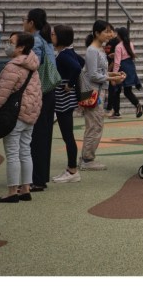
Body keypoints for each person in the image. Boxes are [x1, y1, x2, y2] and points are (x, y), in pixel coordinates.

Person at [0, 32, 42, 203]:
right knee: (25, 152)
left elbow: (0, 97)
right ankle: (26, 189)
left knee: (13, 154)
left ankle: (12, 191)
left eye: (11, 42)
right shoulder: (33, 64)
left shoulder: (13, 67)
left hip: (14, 115)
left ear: (21, 47)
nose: (7, 44)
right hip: (30, 114)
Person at [81, 20, 125, 171]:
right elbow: (93, 75)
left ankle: (87, 157)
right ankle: (87, 159)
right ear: (97, 33)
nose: (109, 34)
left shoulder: (99, 49)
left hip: (98, 91)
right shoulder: (92, 50)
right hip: (93, 92)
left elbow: (100, 72)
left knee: (95, 125)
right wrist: (112, 78)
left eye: (110, 31)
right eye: (106, 31)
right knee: (94, 126)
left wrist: (114, 75)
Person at [24, 8, 56, 191]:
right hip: (49, 90)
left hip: (39, 91)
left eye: (25, 19)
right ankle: (40, 176)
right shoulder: (46, 40)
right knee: (44, 135)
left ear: (32, 22)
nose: (23, 22)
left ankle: (36, 179)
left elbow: (33, 65)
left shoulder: (36, 41)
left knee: (36, 136)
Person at [49, 25, 85, 184]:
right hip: (67, 98)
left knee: (67, 135)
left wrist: (69, 83)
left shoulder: (63, 55)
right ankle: (71, 169)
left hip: (63, 98)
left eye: (53, 34)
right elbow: (81, 61)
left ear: (60, 37)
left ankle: (72, 170)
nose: (51, 36)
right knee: (68, 135)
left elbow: (77, 67)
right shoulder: (68, 52)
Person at [106, 26, 143, 119]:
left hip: (122, 69)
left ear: (119, 36)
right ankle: (138, 105)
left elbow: (117, 63)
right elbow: (128, 56)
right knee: (127, 91)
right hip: (130, 68)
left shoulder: (118, 46)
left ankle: (116, 112)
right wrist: (115, 54)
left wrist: (114, 76)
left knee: (116, 90)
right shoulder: (130, 44)